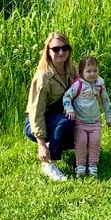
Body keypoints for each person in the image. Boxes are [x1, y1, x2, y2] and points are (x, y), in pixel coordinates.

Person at [25, 31, 76, 182]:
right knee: (66, 122)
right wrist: (41, 144)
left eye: (65, 48)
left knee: (76, 125)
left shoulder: (72, 69)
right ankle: (49, 163)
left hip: (58, 116)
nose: (61, 52)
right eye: (55, 49)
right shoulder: (43, 77)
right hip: (36, 122)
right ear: (48, 51)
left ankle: (60, 143)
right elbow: (36, 112)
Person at [63, 55, 111, 178]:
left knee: (95, 142)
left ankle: (92, 165)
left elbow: (106, 101)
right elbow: (66, 97)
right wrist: (69, 109)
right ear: (81, 73)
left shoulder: (99, 85)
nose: (92, 74)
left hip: (95, 121)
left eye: (95, 71)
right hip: (80, 121)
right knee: (81, 142)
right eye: (88, 71)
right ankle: (80, 166)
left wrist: (109, 117)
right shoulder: (78, 85)